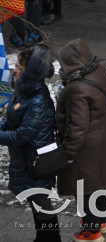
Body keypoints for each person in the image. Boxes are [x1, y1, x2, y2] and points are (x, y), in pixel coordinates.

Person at [55, 39, 106, 241]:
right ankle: (100, 221)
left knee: (84, 188)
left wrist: (67, 153)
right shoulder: (100, 70)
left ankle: (91, 232)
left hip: (87, 146)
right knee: (98, 182)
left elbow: (77, 126)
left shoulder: (77, 89)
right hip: (104, 135)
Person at [0, 46, 61, 241]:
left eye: (19, 66)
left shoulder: (38, 100)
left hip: (35, 163)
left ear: (30, 72)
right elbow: (10, 118)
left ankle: (51, 239)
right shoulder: (23, 91)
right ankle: (42, 238)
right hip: (25, 160)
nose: (15, 70)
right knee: (36, 202)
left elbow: (22, 136)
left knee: (41, 203)